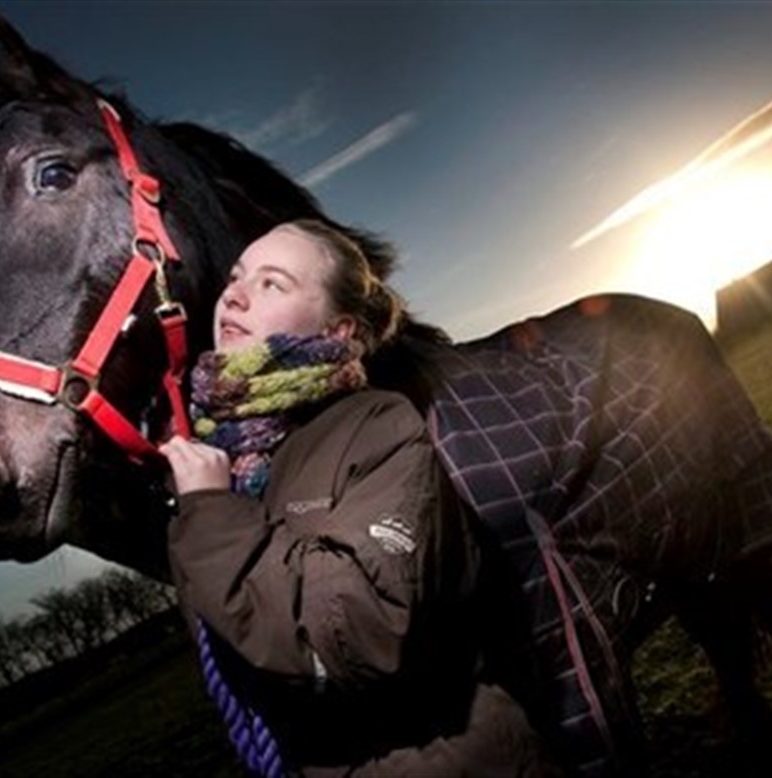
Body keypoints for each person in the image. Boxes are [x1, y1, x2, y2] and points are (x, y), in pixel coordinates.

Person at [159, 219, 557, 776]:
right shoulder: (224, 452)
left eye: (273, 283)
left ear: (338, 329)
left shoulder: (377, 426)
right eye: (236, 277)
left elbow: (361, 631)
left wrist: (210, 514)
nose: (235, 295)